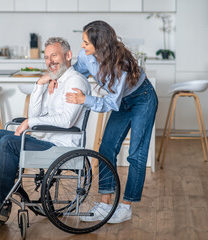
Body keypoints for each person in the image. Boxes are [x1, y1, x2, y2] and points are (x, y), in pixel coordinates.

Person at [0, 37, 91, 223]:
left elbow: (66, 121)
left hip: (60, 146)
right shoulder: (55, 81)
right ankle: (3, 198)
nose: (50, 61)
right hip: (45, 140)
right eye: (47, 57)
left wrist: (30, 122)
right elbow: (34, 113)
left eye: (54, 55)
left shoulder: (75, 82)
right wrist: (40, 84)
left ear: (68, 55)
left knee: (8, 142)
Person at [65, 20, 158, 224]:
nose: (82, 46)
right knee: (106, 148)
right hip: (123, 101)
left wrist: (84, 100)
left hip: (143, 98)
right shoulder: (85, 57)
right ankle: (105, 204)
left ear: (100, 45)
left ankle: (126, 207)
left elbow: (111, 103)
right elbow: (75, 72)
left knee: (136, 155)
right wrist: (55, 78)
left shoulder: (120, 64)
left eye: (86, 43)